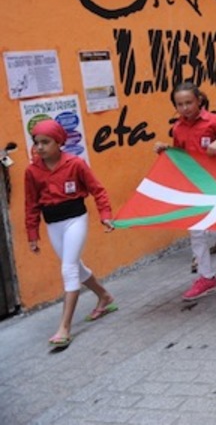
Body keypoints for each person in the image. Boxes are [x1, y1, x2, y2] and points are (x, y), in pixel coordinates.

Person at [154, 82, 216, 300]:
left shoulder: (214, 121)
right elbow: (182, 154)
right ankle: (206, 277)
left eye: (189, 102)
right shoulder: (178, 128)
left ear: (199, 100)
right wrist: (166, 150)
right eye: (180, 104)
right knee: (196, 230)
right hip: (193, 184)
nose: (185, 108)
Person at [25, 120, 117, 347]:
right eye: (37, 143)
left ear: (59, 142)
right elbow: (31, 204)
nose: (40, 147)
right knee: (75, 266)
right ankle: (104, 296)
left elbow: (98, 190)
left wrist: (105, 214)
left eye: (46, 142)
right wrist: (32, 233)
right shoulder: (32, 171)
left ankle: (64, 328)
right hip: (52, 223)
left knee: (68, 269)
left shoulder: (76, 164)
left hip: (75, 219)